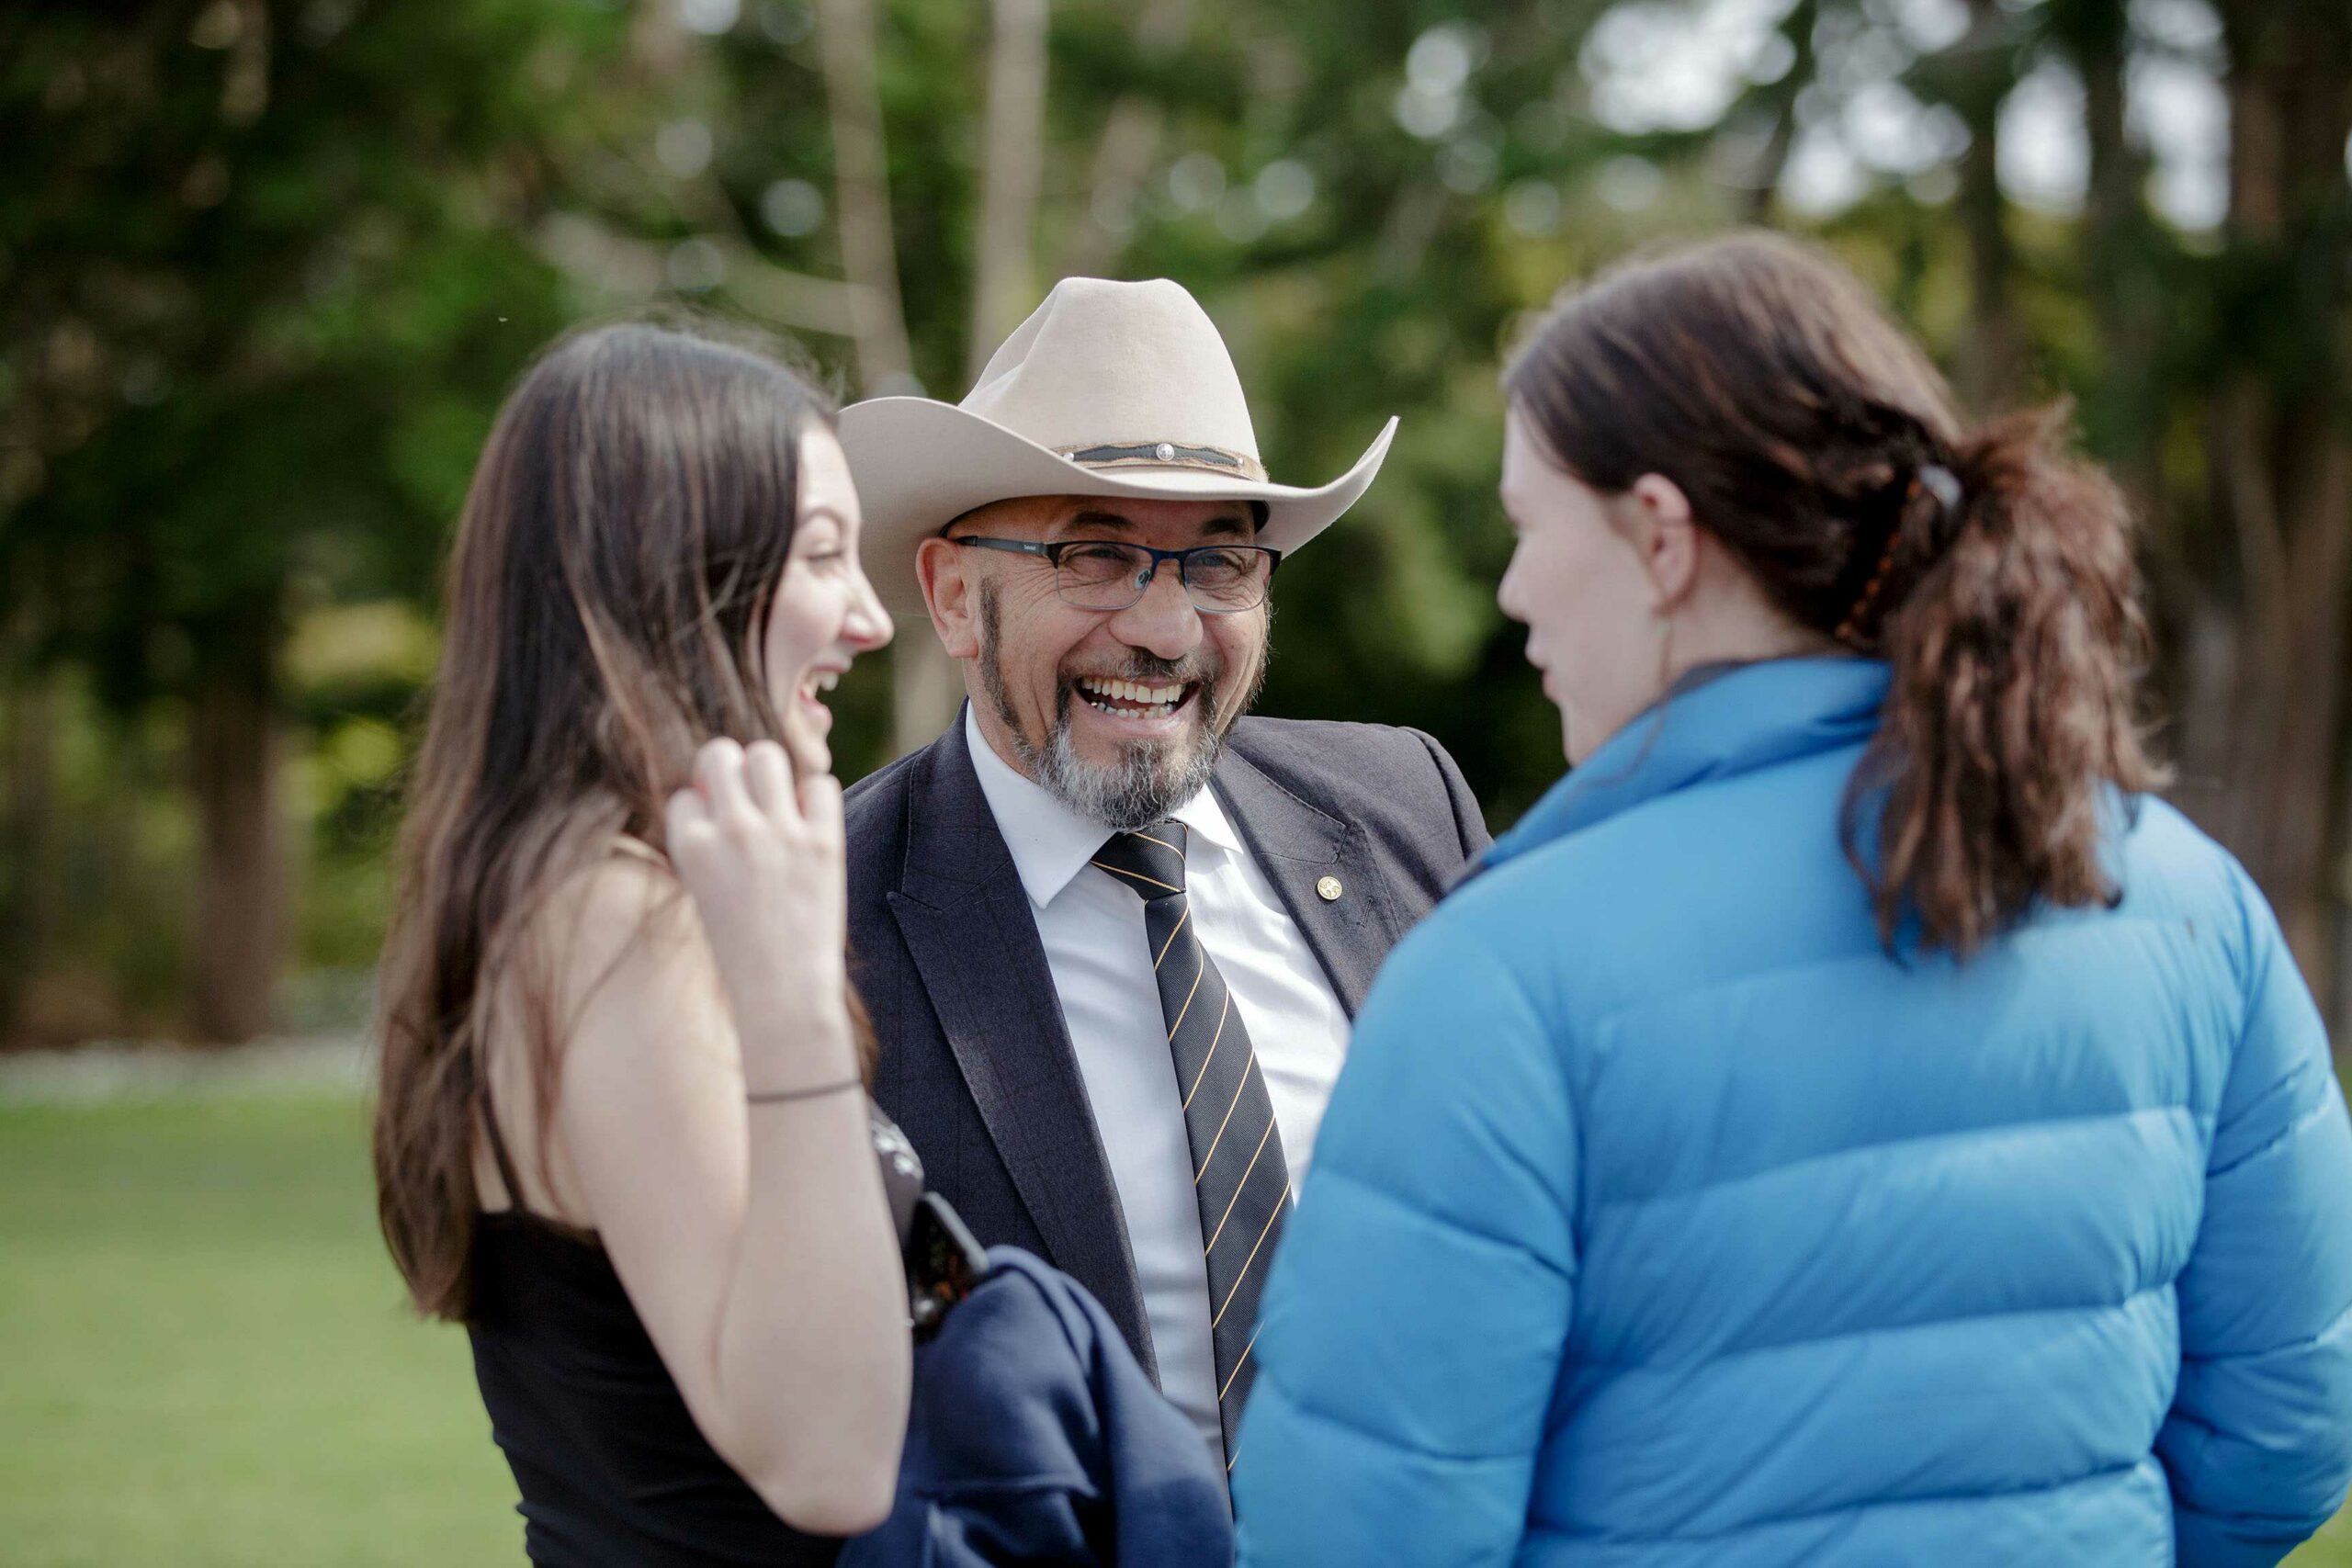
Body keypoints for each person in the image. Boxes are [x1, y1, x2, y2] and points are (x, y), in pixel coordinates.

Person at [1233, 232, 2352, 1565]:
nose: (1514, 592)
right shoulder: (2184, 899)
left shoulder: (1500, 975)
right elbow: (2289, 1437)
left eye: (1530, 527)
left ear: (1661, 537)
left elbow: (1359, 1540)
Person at [833, 276, 1491, 1475]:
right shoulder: (817, 922)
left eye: (1220, 564)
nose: (1166, 629)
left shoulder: (1405, 811)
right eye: (1095, 553)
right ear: (950, 596)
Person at [370, 321, 912, 1564]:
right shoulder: (618, 925)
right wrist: (789, 1000)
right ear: (679, 574)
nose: (870, 619)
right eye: (825, 555)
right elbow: (827, 1461)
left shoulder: (556, 900)